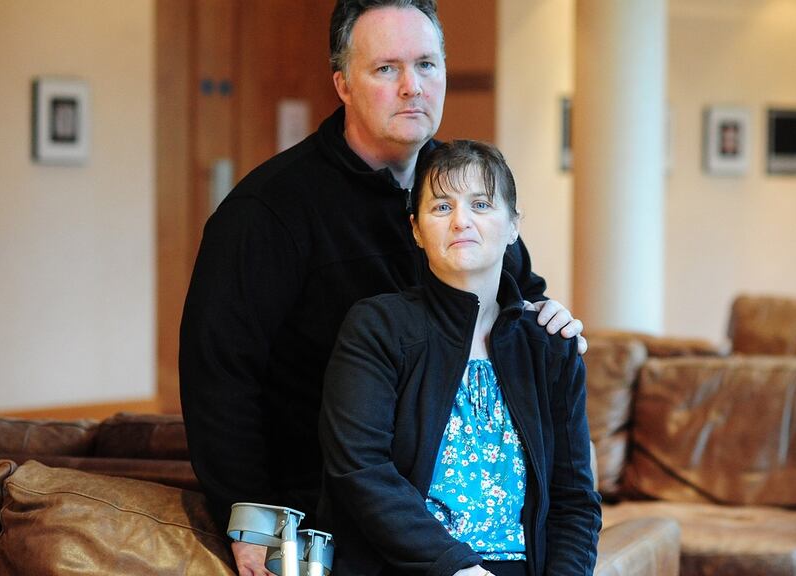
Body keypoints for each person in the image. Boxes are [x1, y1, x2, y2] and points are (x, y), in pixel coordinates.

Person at [178, 1, 586, 574]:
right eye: (386, 69)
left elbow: (518, 300)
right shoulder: (268, 211)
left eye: (426, 64)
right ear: (343, 84)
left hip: (470, 520)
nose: (412, 88)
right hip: (330, 507)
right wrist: (256, 522)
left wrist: (550, 315)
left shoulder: (465, 190)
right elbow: (219, 375)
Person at [319, 140, 600, 576]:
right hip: (411, 568)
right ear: (415, 229)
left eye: (482, 204)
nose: (461, 222)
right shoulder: (377, 327)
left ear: (512, 226)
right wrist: (458, 568)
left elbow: (574, 500)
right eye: (441, 208)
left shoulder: (550, 345)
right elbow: (361, 470)